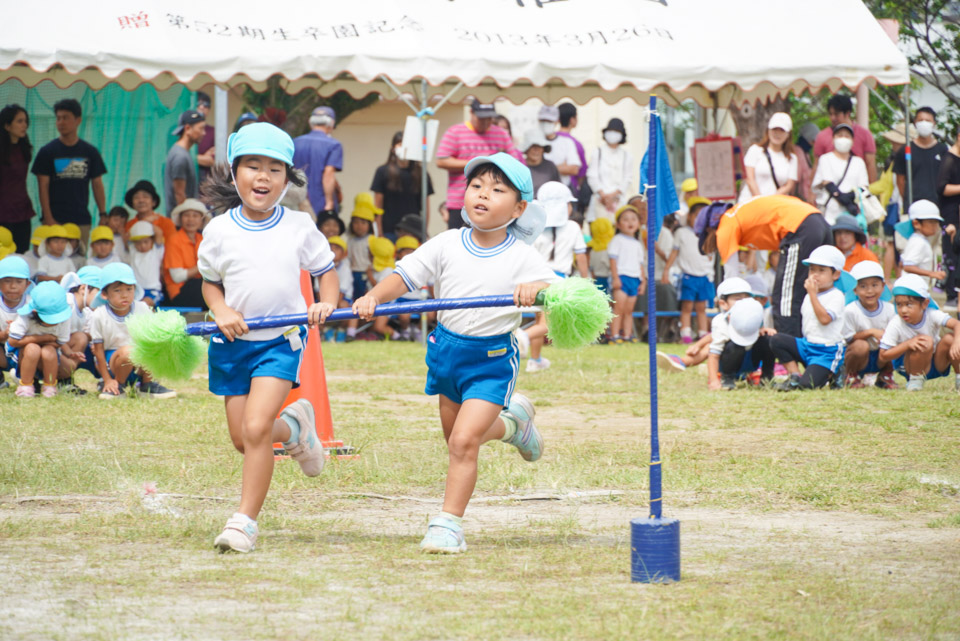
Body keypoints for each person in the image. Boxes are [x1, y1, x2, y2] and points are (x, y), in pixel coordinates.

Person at [353, 152, 556, 554]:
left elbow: (559, 295)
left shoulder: (523, 256)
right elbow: (405, 276)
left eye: (497, 190)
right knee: (458, 441)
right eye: (477, 186)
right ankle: (514, 426)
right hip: (446, 354)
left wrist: (537, 291)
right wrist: (374, 297)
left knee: (464, 442)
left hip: (493, 359)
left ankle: (447, 525)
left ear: (518, 209)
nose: (483, 194)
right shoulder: (446, 242)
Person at [198, 122, 339, 553]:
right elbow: (209, 283)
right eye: (253, 167)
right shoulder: (218, 229)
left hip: (280, 342)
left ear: (288, 178)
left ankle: (244, 522)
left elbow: (325, 275)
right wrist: (220, 310)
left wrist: (326, 303)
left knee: (256, 427)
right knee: (244, 438)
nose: (263, 177)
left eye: (274, 169)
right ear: (234, 172)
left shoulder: (299, 225)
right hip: (231, 346)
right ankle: (295, 427)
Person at [698, 195, 831, 337]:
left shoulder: (725, 224)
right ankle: (818, 339)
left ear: (708, 230)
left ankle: (787, 345)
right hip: (817, 220)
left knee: (785, 296)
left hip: (798, 226)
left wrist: (726, 310)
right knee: (815, 288)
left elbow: (732, 279)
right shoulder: (739, 214)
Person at [517, 182, 589, 372]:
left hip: (534, 282)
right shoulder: (573, 227)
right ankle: (522, 336)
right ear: (565, 206)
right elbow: (581, 256)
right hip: (558, 282)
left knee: (540, 317)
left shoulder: (535, 227)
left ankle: (536, 359)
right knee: (548, 324)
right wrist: (586, 279)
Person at [87, 263, 172, 399]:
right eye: (117, 291)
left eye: (129, 289)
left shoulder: (142, 308)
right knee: (128, 352)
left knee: (155, 343)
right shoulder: (99, 315)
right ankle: (118, 385)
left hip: (139, 359)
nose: (125, 295)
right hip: (115, 361)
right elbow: (98, 351)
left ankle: (147, 384)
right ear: (104, 294)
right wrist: (108, 379)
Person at [435, 99, 522, 229]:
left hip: (493, 203)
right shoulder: (455, 132)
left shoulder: (501, 134)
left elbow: (515, 162)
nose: (486, 122)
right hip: (459, 202)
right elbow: (441, 160)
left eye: (489, 118)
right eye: (481, 118)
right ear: (471, 112)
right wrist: (478, 162)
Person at [31, 99, 107, 244]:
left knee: (79, 261)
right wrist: (48, 218)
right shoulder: (47, 152)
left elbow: (97, 184)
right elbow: (43, 186)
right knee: (53, 261)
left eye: (65, 118)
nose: (61, 122)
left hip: (81, 219)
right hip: (55, 219)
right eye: (58, 118)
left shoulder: (90, 152)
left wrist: (103, 213)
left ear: (78, 120)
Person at [771, 245, 847, 390]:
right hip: (807, 345)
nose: (815, 275)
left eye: (822, 270)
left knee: (807, 386)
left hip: (826, 351)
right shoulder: (809, 295)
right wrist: (812, 294)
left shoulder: (836, 295)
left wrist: (812, 294)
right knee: (777, 340)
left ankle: (835, 371)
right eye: (812, 269)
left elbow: (824, 319)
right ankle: (794, 375)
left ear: (835, 274)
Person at [879, 273, 960, 391]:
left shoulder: (932, 314)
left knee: (950, 339)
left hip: (935, 364)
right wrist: (907, 344)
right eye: (899, 304)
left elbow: (957, 324)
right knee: (925, 341)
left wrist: (957, 342)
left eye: (909, 304)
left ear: (924, 304)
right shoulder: (896, 323)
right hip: (909, 366)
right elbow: (883, 355)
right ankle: (915, 380)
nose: (903, 310)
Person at [7, 280, 87, 398]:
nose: (56, 322)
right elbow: (13, 341)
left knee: (48, 350)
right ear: (35, 312)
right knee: (33, 348)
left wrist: (70, 353)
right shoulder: (25, 318)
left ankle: (50, 386)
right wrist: (43, 338)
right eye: (50, 319)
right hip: (21, 353)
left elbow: (59, 342)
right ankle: (26, 385)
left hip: (49, 350)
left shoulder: (65, 318)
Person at [663, 201, 715, 344]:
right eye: (697, 216)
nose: (699, 220)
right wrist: (666, 270)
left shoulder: (708, 234)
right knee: (686, 306)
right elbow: (674, 252)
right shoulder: (682, 232)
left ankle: (703, 333)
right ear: (690, 216)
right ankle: (685, 333)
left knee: (701, 307)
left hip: (704, 276)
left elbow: (710, 254)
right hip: (688, 275)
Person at [841, 260, 898, 389]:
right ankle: (851, 375)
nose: (869, 291)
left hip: (880, 355)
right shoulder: (850, 310)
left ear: (883, 286)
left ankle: (886, 374)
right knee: (861, 345)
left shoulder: (890, 310)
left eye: (874, 285)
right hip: (858, 357)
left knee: (894, 342)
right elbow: (848, 338)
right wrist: (871, 332)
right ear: (855, 289)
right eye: (863, 286)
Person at [370, 131, 434, 239]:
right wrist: (379, 232)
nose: (404, 148)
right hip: (389, 230)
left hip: (414, 232)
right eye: (400, 144)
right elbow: (377, 205)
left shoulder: (421, 173)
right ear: (393, 148)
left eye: (407, 145)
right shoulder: (382, 171)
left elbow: (426, 206)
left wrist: (424, 231)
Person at [708, 297, 774, 391]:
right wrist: (714, 380)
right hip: (728, 362)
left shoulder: (757, 321)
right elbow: (713, 355)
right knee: (735, 346)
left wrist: (766, 332)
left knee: (769, 340)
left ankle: (767, 377)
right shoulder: (721, 323)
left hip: (750, 362)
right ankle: (727, 378)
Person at [811, 123, 870, 224]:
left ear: (852, 141)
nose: (843, 138)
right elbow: (827, 182)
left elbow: (863, 188)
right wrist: (844, 200)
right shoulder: (825, 159)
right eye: (839, 135)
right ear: (833, 139)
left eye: (847, 136)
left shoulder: (858, 162)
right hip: (829, 214)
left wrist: (851, 197)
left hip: (851, 216)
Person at [812, 94, 878, 183]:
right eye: (830, 114)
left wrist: (870, 192)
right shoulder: (822, 136)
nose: (832, 118)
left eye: (836, 114)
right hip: (830, 189)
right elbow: (816, 166)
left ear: (848, 113)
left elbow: (870, 165)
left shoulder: (865, 135)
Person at [894, 107, 948, 212]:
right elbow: (900, 179)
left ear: (934, 124)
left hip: (937, 206)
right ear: (915, 123)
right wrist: (907, 198)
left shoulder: (942, 149)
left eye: (928, 120)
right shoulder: (906, 150)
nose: (924, 123)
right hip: (912, 205)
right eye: (920, 120)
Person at [293, 106, 343, 215]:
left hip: (295, 199)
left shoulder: (295, 142)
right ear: (331, 124)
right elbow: (328, 173)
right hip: (319, 200)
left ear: (311, 122)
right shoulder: (334, 145)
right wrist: (329, 201)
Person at [739, 112, 798, 203]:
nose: (777, 133)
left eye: (782, 130)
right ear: (768, 131)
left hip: (775, 204)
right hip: (750, 202)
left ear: (788, 134)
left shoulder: (792, 158)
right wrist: (760, 200)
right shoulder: (755, 150)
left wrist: (770, 201)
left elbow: (789, 185)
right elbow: (749, 178)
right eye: (774, 129)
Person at [608, 204, 646, 344]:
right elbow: (613, 260)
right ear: (618, 224)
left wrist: (643, 281)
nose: (630, 222)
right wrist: (616, 278)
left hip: (635, 278)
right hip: (622, 277)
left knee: (629, 310)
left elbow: (640, 264)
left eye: (633, 219)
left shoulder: (637, 243)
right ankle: (615, 335)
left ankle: (628, 335)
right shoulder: (617, 240)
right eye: (625, 219)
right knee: (618, 308)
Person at [0, 104, 35, 252]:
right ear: (7, 125)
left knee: (22, 252)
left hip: (22, 209)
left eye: (25, 121)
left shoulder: (24, 149)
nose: (24, 125)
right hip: (3, 210)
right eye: (19, 121)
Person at [163, 198, 209, 308]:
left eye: (195, 216)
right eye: (186, 215)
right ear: (180, 219)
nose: (190, 219)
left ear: (201, 220)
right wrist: (204, 265)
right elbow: (177, 277)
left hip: (200, 287)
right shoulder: (174, 240)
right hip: (179, 292)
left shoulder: (203, 239)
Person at [586, 118, 633, 222]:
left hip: (618, 201)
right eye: (611, 131)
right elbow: (591, 176)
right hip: (599, 200)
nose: (613, 134)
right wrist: (603, 196)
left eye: (616, 132)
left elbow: (627, 178)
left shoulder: (626, 156)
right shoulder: (597, 152)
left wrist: (613, 196)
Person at [164, 110, 205, 214]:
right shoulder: (180, 156)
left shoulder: (182, 153)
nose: (203, 133)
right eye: (200, 128)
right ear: (187, 128)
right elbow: (179, 194)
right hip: (181, 224)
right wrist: (188, 218)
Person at [937, 124, 960, 305]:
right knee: (952, 252)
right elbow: (942, 187)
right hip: (951, 213)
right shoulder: (949, 159)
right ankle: (952, 294)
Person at [0, 255, 31, 389]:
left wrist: (17, 336)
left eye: (19, 282)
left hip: (23, 348)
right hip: (2, 348)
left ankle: (27, 378)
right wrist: (4, 335)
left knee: (33, 349)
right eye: (7, 281)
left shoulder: (32, 304)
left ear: (27, 284)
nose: (13, 286)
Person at [900, 199, 945, 290]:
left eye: (936, 222)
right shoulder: (918, 243)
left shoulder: (919, 240)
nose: (935, 226)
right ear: (916, 224)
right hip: (913, 289)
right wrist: (931, 273)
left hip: (918, 288)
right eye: (931, 222)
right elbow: (908, 266)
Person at [538, 105, 582, 189]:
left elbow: (574, 169)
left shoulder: (567, 142)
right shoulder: (532, 141)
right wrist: (562, 167)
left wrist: (542, 167)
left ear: (556, 121)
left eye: (549, 121)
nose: (546, 123)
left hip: (562, 191)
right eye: (543, 120)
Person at [345, 194, 377, 304]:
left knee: (366, 298)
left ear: (369, 225)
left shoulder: (371, 239)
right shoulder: (350, 240)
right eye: (356, 222)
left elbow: (374, 257)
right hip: (353, 273)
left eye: (363, 223)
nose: (359, 226)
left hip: (366, 273)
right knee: (355, 297)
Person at [124, 179, 176, 244]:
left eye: (145, 197)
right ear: (133, 204)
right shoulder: (129, 225)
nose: (141, 200)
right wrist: (145, 221)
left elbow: (171, 248)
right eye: (136, 197)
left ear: (153, 202)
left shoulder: (167, 223)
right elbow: (128, 246)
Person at [127, 221, 164, 306]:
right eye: (138, 243)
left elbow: (159, 233)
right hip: (137, 290)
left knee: (145, 304)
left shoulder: (156, 251)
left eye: (146, 242)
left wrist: (147, 223)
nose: (142, 245)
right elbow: (128, 235)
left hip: (153, 290)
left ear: (152, 241)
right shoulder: (133, 252)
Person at [556, 102, 588, 196]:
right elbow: (581, 172)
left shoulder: (549, 140)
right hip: (569, 191)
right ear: (572, 119)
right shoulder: (576, 144)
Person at [520, 129, 560, 196]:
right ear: (526, 149)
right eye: (532, 146)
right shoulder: (519, 167)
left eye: (539, 146)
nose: (536, 150)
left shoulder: (550, 166)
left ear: (543, 149)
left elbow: (558, 190)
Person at [195, 92, 217, 185]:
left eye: (206, 105)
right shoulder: (182, 130)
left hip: (204, 186)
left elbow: (213, 160)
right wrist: (202, 157)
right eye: (198, 104)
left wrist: (189, 157)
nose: (202, 107)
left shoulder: (213, 132)